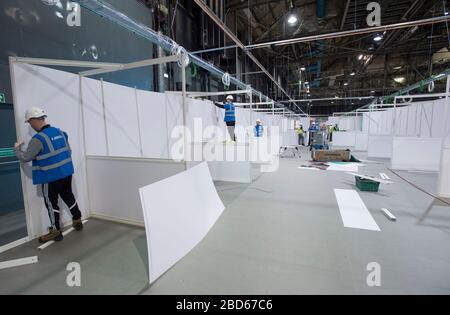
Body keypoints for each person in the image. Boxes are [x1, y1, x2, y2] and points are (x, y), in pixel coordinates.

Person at [15, 108, 83, 244]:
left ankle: (55, 231)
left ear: (34, 120)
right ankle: (77, 219)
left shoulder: (38, 139)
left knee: (51, 203)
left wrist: (17, 149)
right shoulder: (62, 133)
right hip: (66, 173)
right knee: (68, 195)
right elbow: (68, 151)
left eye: (29, 122)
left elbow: (26, 157)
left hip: (50, 178)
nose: (30, 125)